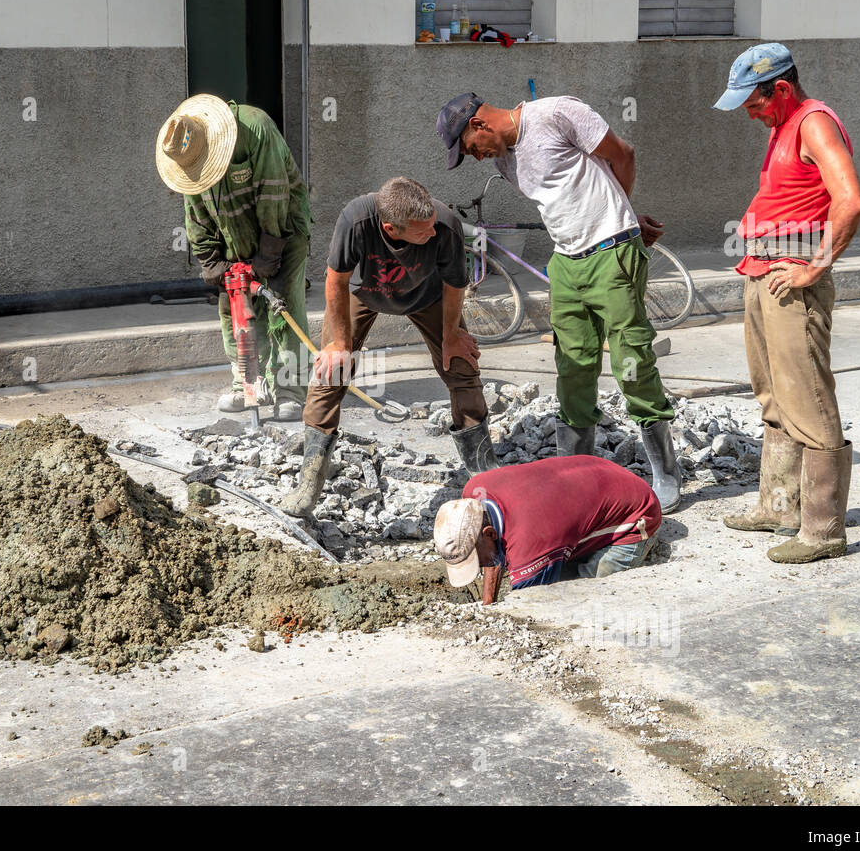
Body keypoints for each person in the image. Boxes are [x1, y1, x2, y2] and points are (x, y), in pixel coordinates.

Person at [436, 91, 682, 512]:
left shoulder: (555, 114)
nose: (477, 159)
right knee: (572, 364)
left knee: (632, 358)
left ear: (478, 124)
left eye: (470, 149)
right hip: (566, 263)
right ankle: (578, 474)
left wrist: (622, 217)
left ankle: (665, 473)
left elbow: (622, 155)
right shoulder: (505, 162)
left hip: (611, 253)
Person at [714, 43, 860, 564]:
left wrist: (816, 265)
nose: (749, 113)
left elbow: (851, 199)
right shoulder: (784, 125)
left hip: (791, 275)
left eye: (753, 103)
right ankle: (780, 507)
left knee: (809, 401)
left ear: (780, 88)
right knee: (774, 397)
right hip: (764, 269)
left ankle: (823, 532)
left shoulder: (812, 122)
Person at [280, 176, 497, 519]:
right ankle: (309, 482)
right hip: (365, 292)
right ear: (391, 228)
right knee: (330, 372)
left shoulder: (446, 226)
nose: (431, 233)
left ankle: (486, 475)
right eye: (421, 231)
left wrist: (452, 334)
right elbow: (335, 280)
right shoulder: (357, 220)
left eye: (431, 227)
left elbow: (456, 284)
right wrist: (339, 343)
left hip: (429, 296)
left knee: (461, 366)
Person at [156, 94, 311, 420]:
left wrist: (269, 253)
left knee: (282, 306)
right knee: (234, 310)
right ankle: (247, 385)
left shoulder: (255, 129)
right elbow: (194, 212)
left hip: (282, 228)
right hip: (232, 233)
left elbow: (274, 193)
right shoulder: (188, 155)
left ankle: (290, 390)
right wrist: (209, 258)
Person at [433, 456, 663, 605]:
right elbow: (493, 554)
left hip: (637, 514)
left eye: (476, 560)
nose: (481, 566)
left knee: (578, 594)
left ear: (490, 533)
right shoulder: (475, 490)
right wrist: (488, 606)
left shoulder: (529, 544)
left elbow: (531, 604)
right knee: (555, 556)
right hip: (599, 472)